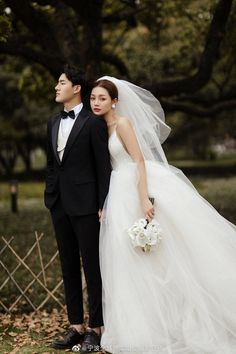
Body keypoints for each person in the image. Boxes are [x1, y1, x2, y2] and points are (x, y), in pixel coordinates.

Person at [90, 77, 236, 354]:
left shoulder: (122, 124)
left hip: (134, 186)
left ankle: (177, 320)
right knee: (127, 259)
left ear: (115, 101)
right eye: (93, 98)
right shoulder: (100, 126)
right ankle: (138, 325)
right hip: (117, 191)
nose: (96, 103)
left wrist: (144, 197)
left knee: (160, 255)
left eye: (102, 99)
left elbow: (140, 160)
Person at [44, 65, 111, 352]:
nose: (57, 87)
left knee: (92, 266)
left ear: (76, 88)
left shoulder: (93, 121)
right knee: (68, 266)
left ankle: (95, 329)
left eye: (61, 83)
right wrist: (50, 195)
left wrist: (101, 203)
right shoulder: (52, 121)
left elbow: (103, 167)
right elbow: (52, 164)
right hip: (59, 204)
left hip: (86, 206)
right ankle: (75, 327)